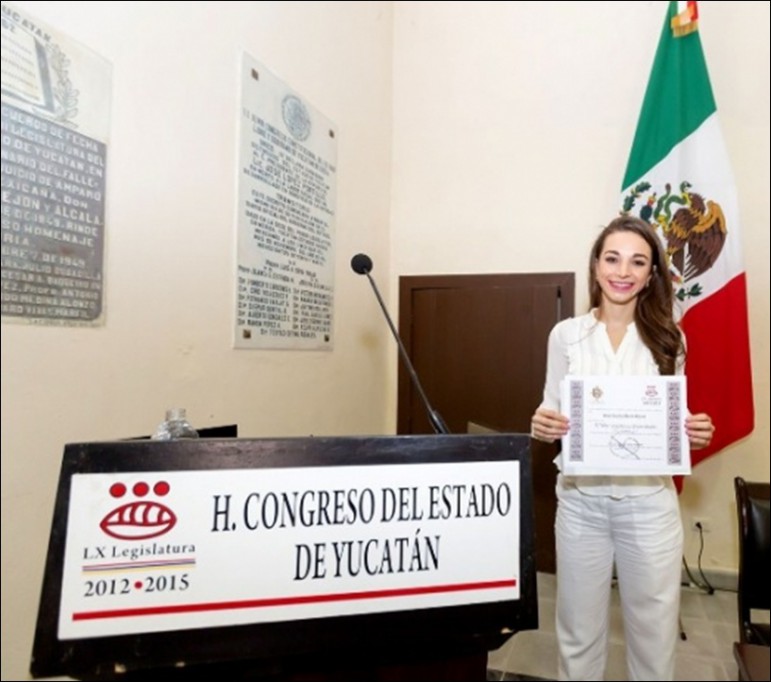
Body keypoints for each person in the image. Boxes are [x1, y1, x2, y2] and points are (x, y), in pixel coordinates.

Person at [530, 215, 715, 681]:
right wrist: (541, 423)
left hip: (649, 506)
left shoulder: (670, 338)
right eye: (612, 258)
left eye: (638, 262)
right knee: (577, 634)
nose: (623, 271)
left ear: (651, 274)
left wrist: (693, 431)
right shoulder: (565, 335)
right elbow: (551, 411)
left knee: (653, 639)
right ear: (596, 265)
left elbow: (672, 421)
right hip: (580, 504)